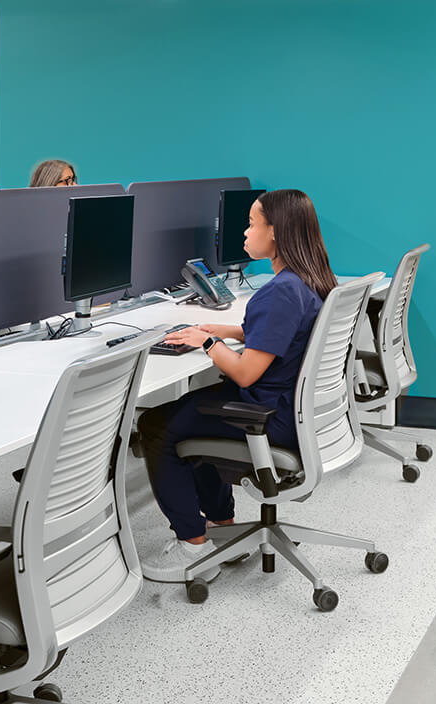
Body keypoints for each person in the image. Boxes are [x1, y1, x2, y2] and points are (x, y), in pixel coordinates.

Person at [137, 188, 337, 579]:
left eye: (251, 224)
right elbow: (285, 334)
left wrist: (208, 342)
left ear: (276, 232)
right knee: (191, 408)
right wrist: (231, 330)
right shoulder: (310, 280)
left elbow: (245, 373)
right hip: (293, 408)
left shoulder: (280, 291)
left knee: (157, 426)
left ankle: (191, 545)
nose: (244, 233)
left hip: (269, 415)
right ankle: (222, 527)